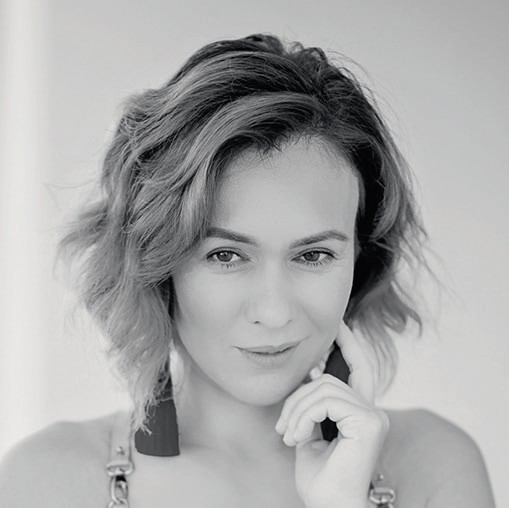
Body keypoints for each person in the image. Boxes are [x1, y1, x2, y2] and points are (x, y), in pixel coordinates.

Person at [0, 33, 496, 508]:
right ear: (155, 262)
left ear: (361, 260)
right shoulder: (48, 481)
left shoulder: (434, 465)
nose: (274, 312)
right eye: (226, 256)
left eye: (313, 255)